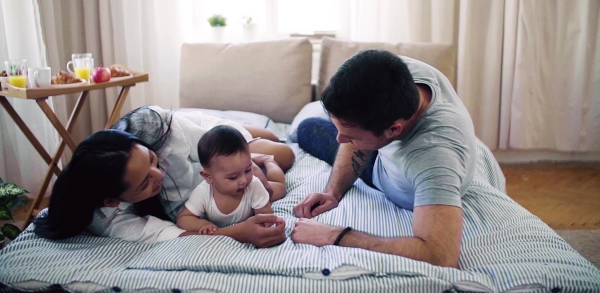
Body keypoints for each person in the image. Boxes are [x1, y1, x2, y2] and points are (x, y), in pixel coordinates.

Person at [291, 50, 476, 268]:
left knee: (307, 129)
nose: (340, 139)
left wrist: (336, 236)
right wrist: (333, 192)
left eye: (350, 136)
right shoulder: (393, 71)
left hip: (398, 164)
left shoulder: (434, 158)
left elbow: (440, 255)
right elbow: (351, 133)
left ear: (394, 129)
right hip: (382, 139)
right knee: (313, 124)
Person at [34, 106, 292, 247]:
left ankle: (244, 131)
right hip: (209, 173)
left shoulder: (157, 129)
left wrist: (245, 168)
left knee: (283, 152)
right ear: (114, 200)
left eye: (151, 160)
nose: (158, 175)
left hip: (209, 138)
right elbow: (170, 233)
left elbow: (211, 146)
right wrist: (238, 232)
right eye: (144, 182)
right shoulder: (107, 218)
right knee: (279, 154)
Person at [177, 125, 284, 235]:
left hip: (263, 184)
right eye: (233, 177)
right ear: (208, 177)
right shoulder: (204, 193)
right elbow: (184, 218)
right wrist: (202, 224)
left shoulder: (253, 184)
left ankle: (268, 161)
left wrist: (264, 225)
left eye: (248, 170)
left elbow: (265, 215)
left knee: (279, 188)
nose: (243, 180)